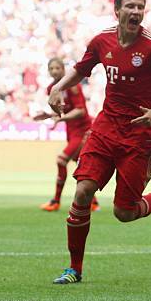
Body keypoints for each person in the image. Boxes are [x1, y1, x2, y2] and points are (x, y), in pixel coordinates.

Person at [48, 0, 151, 284]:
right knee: (83, 191)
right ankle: (74, 268)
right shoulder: (101, 41)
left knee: (124, 213)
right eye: (131, 6)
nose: (136, 12)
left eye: (140, 7)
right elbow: (80, 70)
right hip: (105, 129)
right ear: (117, 10)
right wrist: (58, 87)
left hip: (140, 136)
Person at [34, 58, 100, 212]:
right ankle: (93, 202)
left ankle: (55, 201)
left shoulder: (73, 86)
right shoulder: (52, 88)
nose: (55, 71)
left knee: (61, 160)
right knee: (81, 166)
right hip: (71, 132)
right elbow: (62, 111)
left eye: (57, 68)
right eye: (51, 68)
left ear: (63, 69)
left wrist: (60, 118)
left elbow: (81, 111)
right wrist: (50, 115)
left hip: (83, 131)